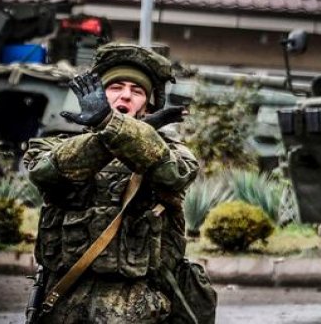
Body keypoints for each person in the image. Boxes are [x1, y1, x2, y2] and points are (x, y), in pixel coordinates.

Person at [23, 43, 216, 323]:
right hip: (64, 302)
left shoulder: (171, 151)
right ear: (96, 96)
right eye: (115, 87)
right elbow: (45, 172)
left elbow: (174, 174)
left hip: (138, 306)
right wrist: (110, 127)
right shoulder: (53, 146)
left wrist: (117, 127)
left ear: (148, 104)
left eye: (137, 91)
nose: (126, 95)